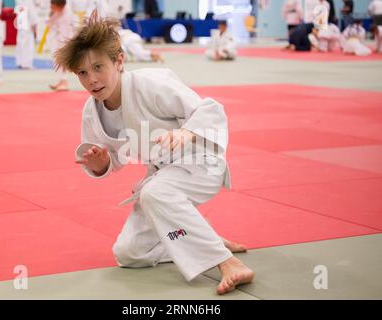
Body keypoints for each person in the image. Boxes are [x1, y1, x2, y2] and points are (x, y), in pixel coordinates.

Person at [54, 12, 254, 295]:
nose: (92, 80)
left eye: (98, 67)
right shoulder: (92, 111)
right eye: (83, 73)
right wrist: (102, 163)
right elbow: (111, 158)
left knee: (155, 193)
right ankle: (202, 237)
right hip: (163, 175)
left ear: (119, 61)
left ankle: (227, 262)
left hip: (199, 162)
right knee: (129, 253)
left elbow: (210, 109)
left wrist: (186, 132)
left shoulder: (151, 83)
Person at [47, 0, 74, 91]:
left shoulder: (66, 15)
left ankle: (65, 82)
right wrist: (51, 13)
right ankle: (61, 81)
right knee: (57, 61)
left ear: (60, 6)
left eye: (53, 6)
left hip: (65, 40)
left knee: (63, 62)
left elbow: (65, 33)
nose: (51, 8)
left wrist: (63, 46)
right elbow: (50, 24)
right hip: (57, 38)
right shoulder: (58, 12)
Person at [14, 0, 39, 69]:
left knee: (20, 43)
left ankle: (19, 62)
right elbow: (31, 12)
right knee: (28, 45)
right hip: (28, 23)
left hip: (21, 22)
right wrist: (34, 23)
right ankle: (27, 64)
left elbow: (17, 9)